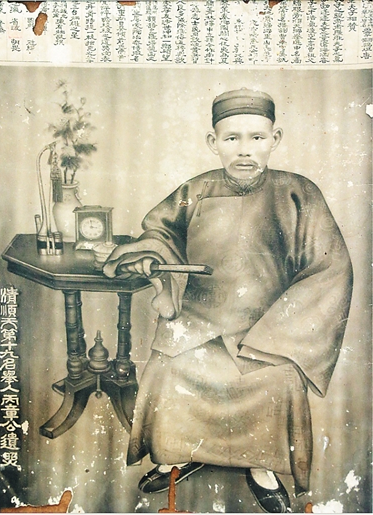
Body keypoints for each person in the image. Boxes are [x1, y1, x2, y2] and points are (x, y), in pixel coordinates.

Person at [103, 89, 353, 513]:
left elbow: (330, 266)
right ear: (213, 142)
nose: (244, 150)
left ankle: (261, 466)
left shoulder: (299, 192)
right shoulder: (196, 189)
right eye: (232, 138)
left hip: (268, 324)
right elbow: (161, 232)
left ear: (275, 139)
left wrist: (278, 330)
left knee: (274, 378)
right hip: (199, 316)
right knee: (170, 367)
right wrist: (152, 255)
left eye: (257, 138)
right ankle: (180, 452)